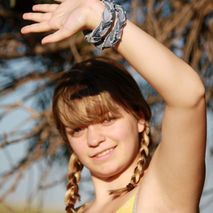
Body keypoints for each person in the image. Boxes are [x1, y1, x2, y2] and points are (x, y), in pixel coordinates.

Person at [21, 0, 206, 213]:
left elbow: (188, 96)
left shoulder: (162, 193)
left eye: (107, 119)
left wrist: (99, 16)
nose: (94, 139)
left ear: (139, 118)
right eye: (78, 129)